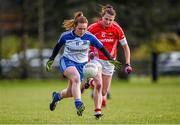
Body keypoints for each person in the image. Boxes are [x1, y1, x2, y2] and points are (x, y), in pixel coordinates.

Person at [46, 11, 115, 117]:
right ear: (74, 26)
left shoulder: (90, 37)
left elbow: (102, 48)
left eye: (84, 28)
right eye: (80, 28)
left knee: (70, 92)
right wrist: (51, 59)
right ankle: (78, 103)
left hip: (82, 65)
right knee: (76, 78)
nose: (82, 31)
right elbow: (57, 47)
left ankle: (57, 96)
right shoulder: (65, 36)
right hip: (67, 61)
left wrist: (111, 59)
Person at [83, 4, 132, 118]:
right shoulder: (93, 28)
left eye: (111, 20)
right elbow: (83, 43)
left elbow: (125, 47)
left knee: (104, 92)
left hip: (110, 62)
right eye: (106, 19)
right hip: (96, 59)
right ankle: (97, 111)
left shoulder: (117, 29)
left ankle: (90, 82)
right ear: (101, 17)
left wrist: (128, 63)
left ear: (113, 20)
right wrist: (87, 56)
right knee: (99, 85)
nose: (108, 22)